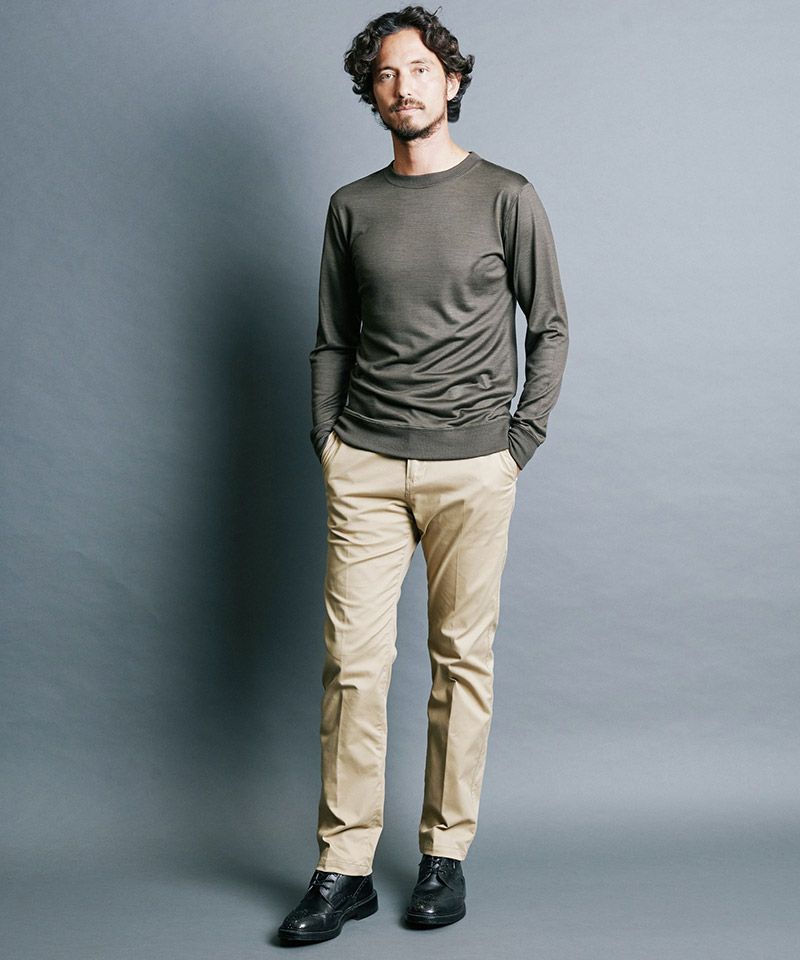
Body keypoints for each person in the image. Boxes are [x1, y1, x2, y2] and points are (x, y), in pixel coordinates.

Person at [278, 4, 569, 944]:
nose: (401, 86)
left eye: (418, 69)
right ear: (371, 95)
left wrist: (516, 444)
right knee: (353, 668)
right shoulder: (351, 207)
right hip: (364, 465)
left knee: (460, 663)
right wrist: (329, 441)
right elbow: (332, 336)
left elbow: (549, 326)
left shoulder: (507, 195)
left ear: (452, 80)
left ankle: (444, 856)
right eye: (384, 74)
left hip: (473, 468)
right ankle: (343, 869)